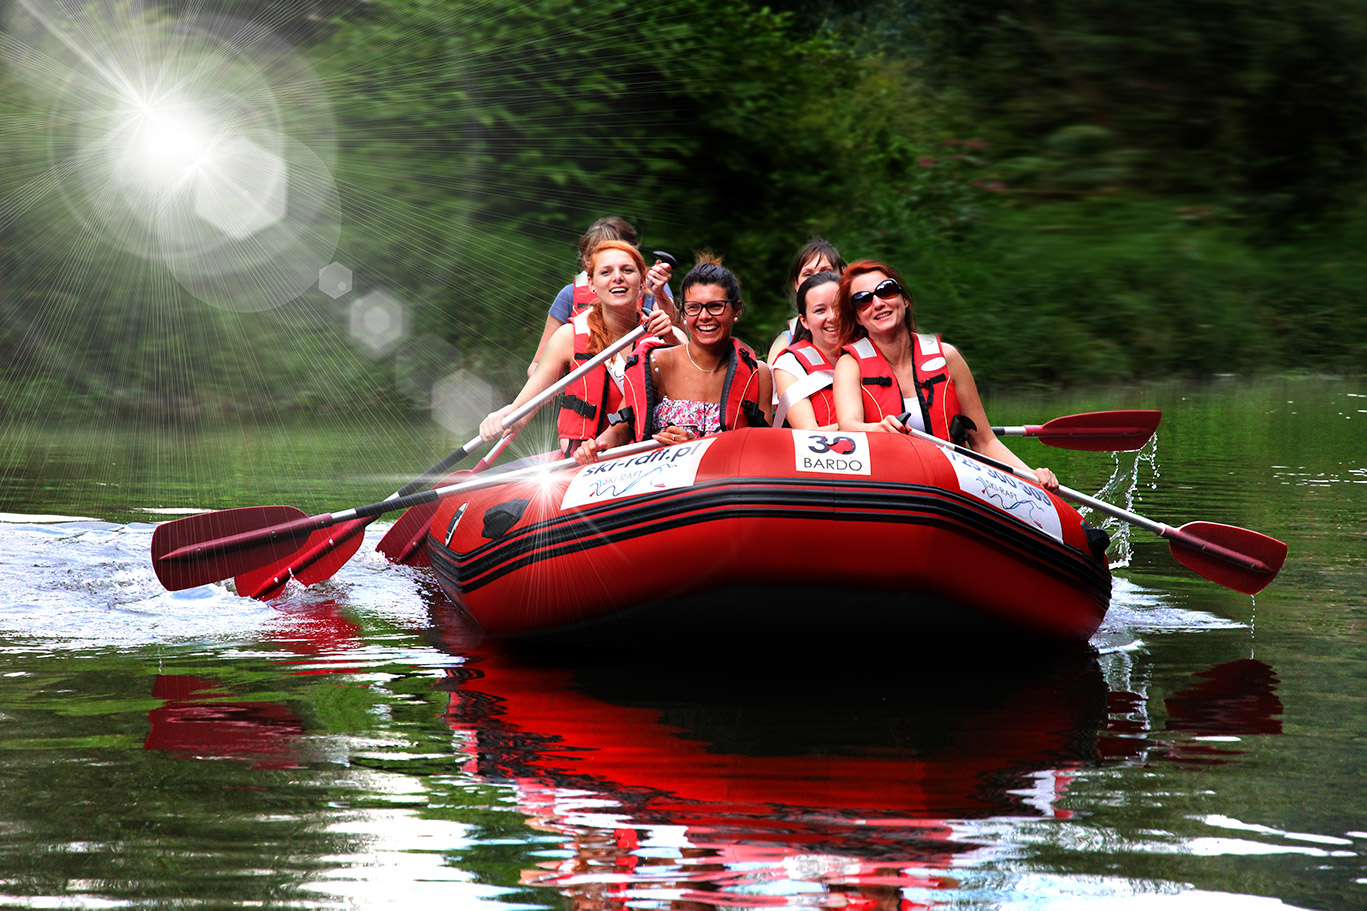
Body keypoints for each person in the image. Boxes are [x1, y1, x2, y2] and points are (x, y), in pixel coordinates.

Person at [830, 259, 1059, 491]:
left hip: (950, 488)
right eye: (863, 300)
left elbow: (984, 441)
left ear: (904, 300)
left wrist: (1031, 475)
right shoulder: (850, 365)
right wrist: (877, 428)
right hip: (890, 488)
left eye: (886, 291)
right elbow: (849, 425)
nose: (877, 303)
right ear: (858, 317)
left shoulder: (947, 357)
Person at [481, 240, 680, 455]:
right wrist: (504, 416)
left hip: (648, 454)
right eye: (605, 272)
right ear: (591, 284)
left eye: (627, 270)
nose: (618, 277)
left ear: (642, 282)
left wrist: (671, 338)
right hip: (584, 460)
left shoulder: (663, 334)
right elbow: (521, 409)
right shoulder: (568, 337)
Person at [574, 254, 772, 462]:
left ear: (736, 310)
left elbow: (762, 451)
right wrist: (595, 448)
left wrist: (697, 446)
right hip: (661, 485)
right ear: (683, 314)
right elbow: (622, 429)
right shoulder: (657, 363)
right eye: (693, 308)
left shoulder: (758, 374)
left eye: (715, 306)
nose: (704, 316)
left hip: (726, 486)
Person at [527, 216, 676, 376]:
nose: (616, 276)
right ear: (587, 264)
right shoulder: (568, 295)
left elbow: (676, 341)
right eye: (604, 262)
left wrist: (659, 293)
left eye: (621, 260)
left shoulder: (654, 288)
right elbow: (536, 366)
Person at [769, 271, 842, 429]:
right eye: (820, 310)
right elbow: (808, 435)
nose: (833, 317)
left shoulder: (873, 351)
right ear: (804, 321)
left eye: (839, 307)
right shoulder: (789, 366)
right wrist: (867, 427)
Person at [765, 236, 847, 365]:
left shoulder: (867, 327)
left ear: (844, 275)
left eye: (825, 271)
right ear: (796, 284)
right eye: (808, 275)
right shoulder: (784, 344)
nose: (818, 279)